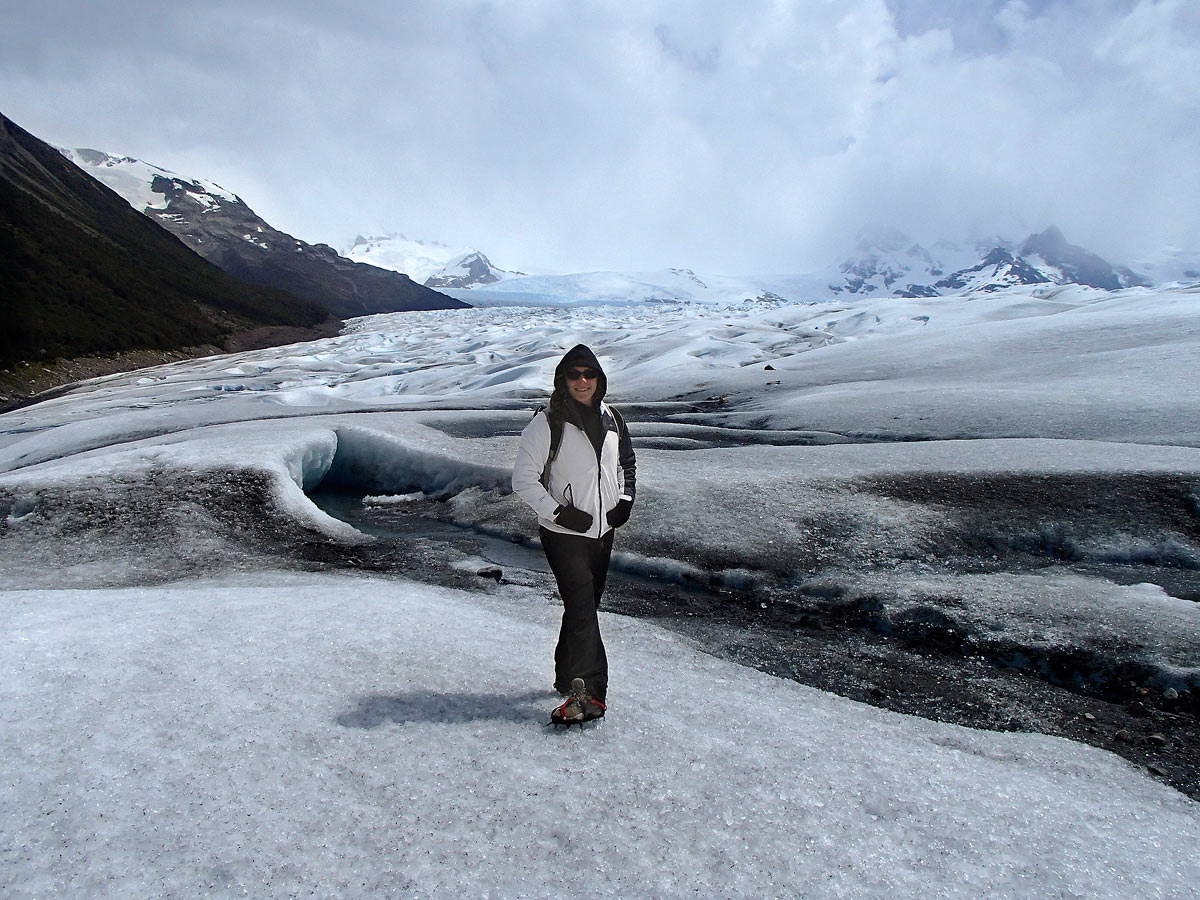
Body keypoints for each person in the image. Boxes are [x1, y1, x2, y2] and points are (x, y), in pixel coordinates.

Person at [512, 344, 636, 724]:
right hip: (563, 535)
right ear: (562, 381)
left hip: (602, 532)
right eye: (574, 375)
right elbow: (522, 481)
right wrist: (560, 514)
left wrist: (625, 500)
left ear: (599, 379)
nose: (582, 381)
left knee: (583, 608)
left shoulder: (612, 418)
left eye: (589, 374)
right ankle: (590, 696)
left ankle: (568, 677)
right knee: (583, 609)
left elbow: (626, 464)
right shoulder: (547, 422)